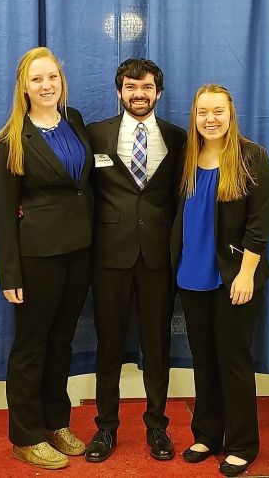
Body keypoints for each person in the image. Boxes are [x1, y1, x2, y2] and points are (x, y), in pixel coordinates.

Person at [0, 47, 94, 470]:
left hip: (79, 252)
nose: (46, 85)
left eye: (51, 77)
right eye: (37, 79)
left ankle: (56, 421)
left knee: (61, 342)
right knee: (31, 347)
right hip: (36, 257)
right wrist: (9, 273)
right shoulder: (10, 141)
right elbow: (4, 214)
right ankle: (26, 435)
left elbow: (82, 186)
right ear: (24, 86)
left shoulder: (74, 121)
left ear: (61, 80)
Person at [85, 58, 186, 463]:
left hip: (159, 258)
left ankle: (157, 427)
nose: (138, 94)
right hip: (109, 257)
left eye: (146, 87)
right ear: (119, 91)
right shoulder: (94, 135)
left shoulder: (180, 138)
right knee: (108, 346)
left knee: (156, 346)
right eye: (130, 86)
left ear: (158, 93)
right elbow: (76, 187)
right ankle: (105, 429)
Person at [171, 84, 269, 477]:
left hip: (235, 279)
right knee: (204, 360)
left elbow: (259, 224)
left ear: (231, 114)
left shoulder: (252, 157)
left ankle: (243, 443)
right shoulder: (188, 156)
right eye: (202, 112)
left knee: (233, 361)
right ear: (194, 117)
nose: (210, 119)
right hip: (192, 277)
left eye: (217, 111)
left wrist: (246, 274)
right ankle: (207, 433)